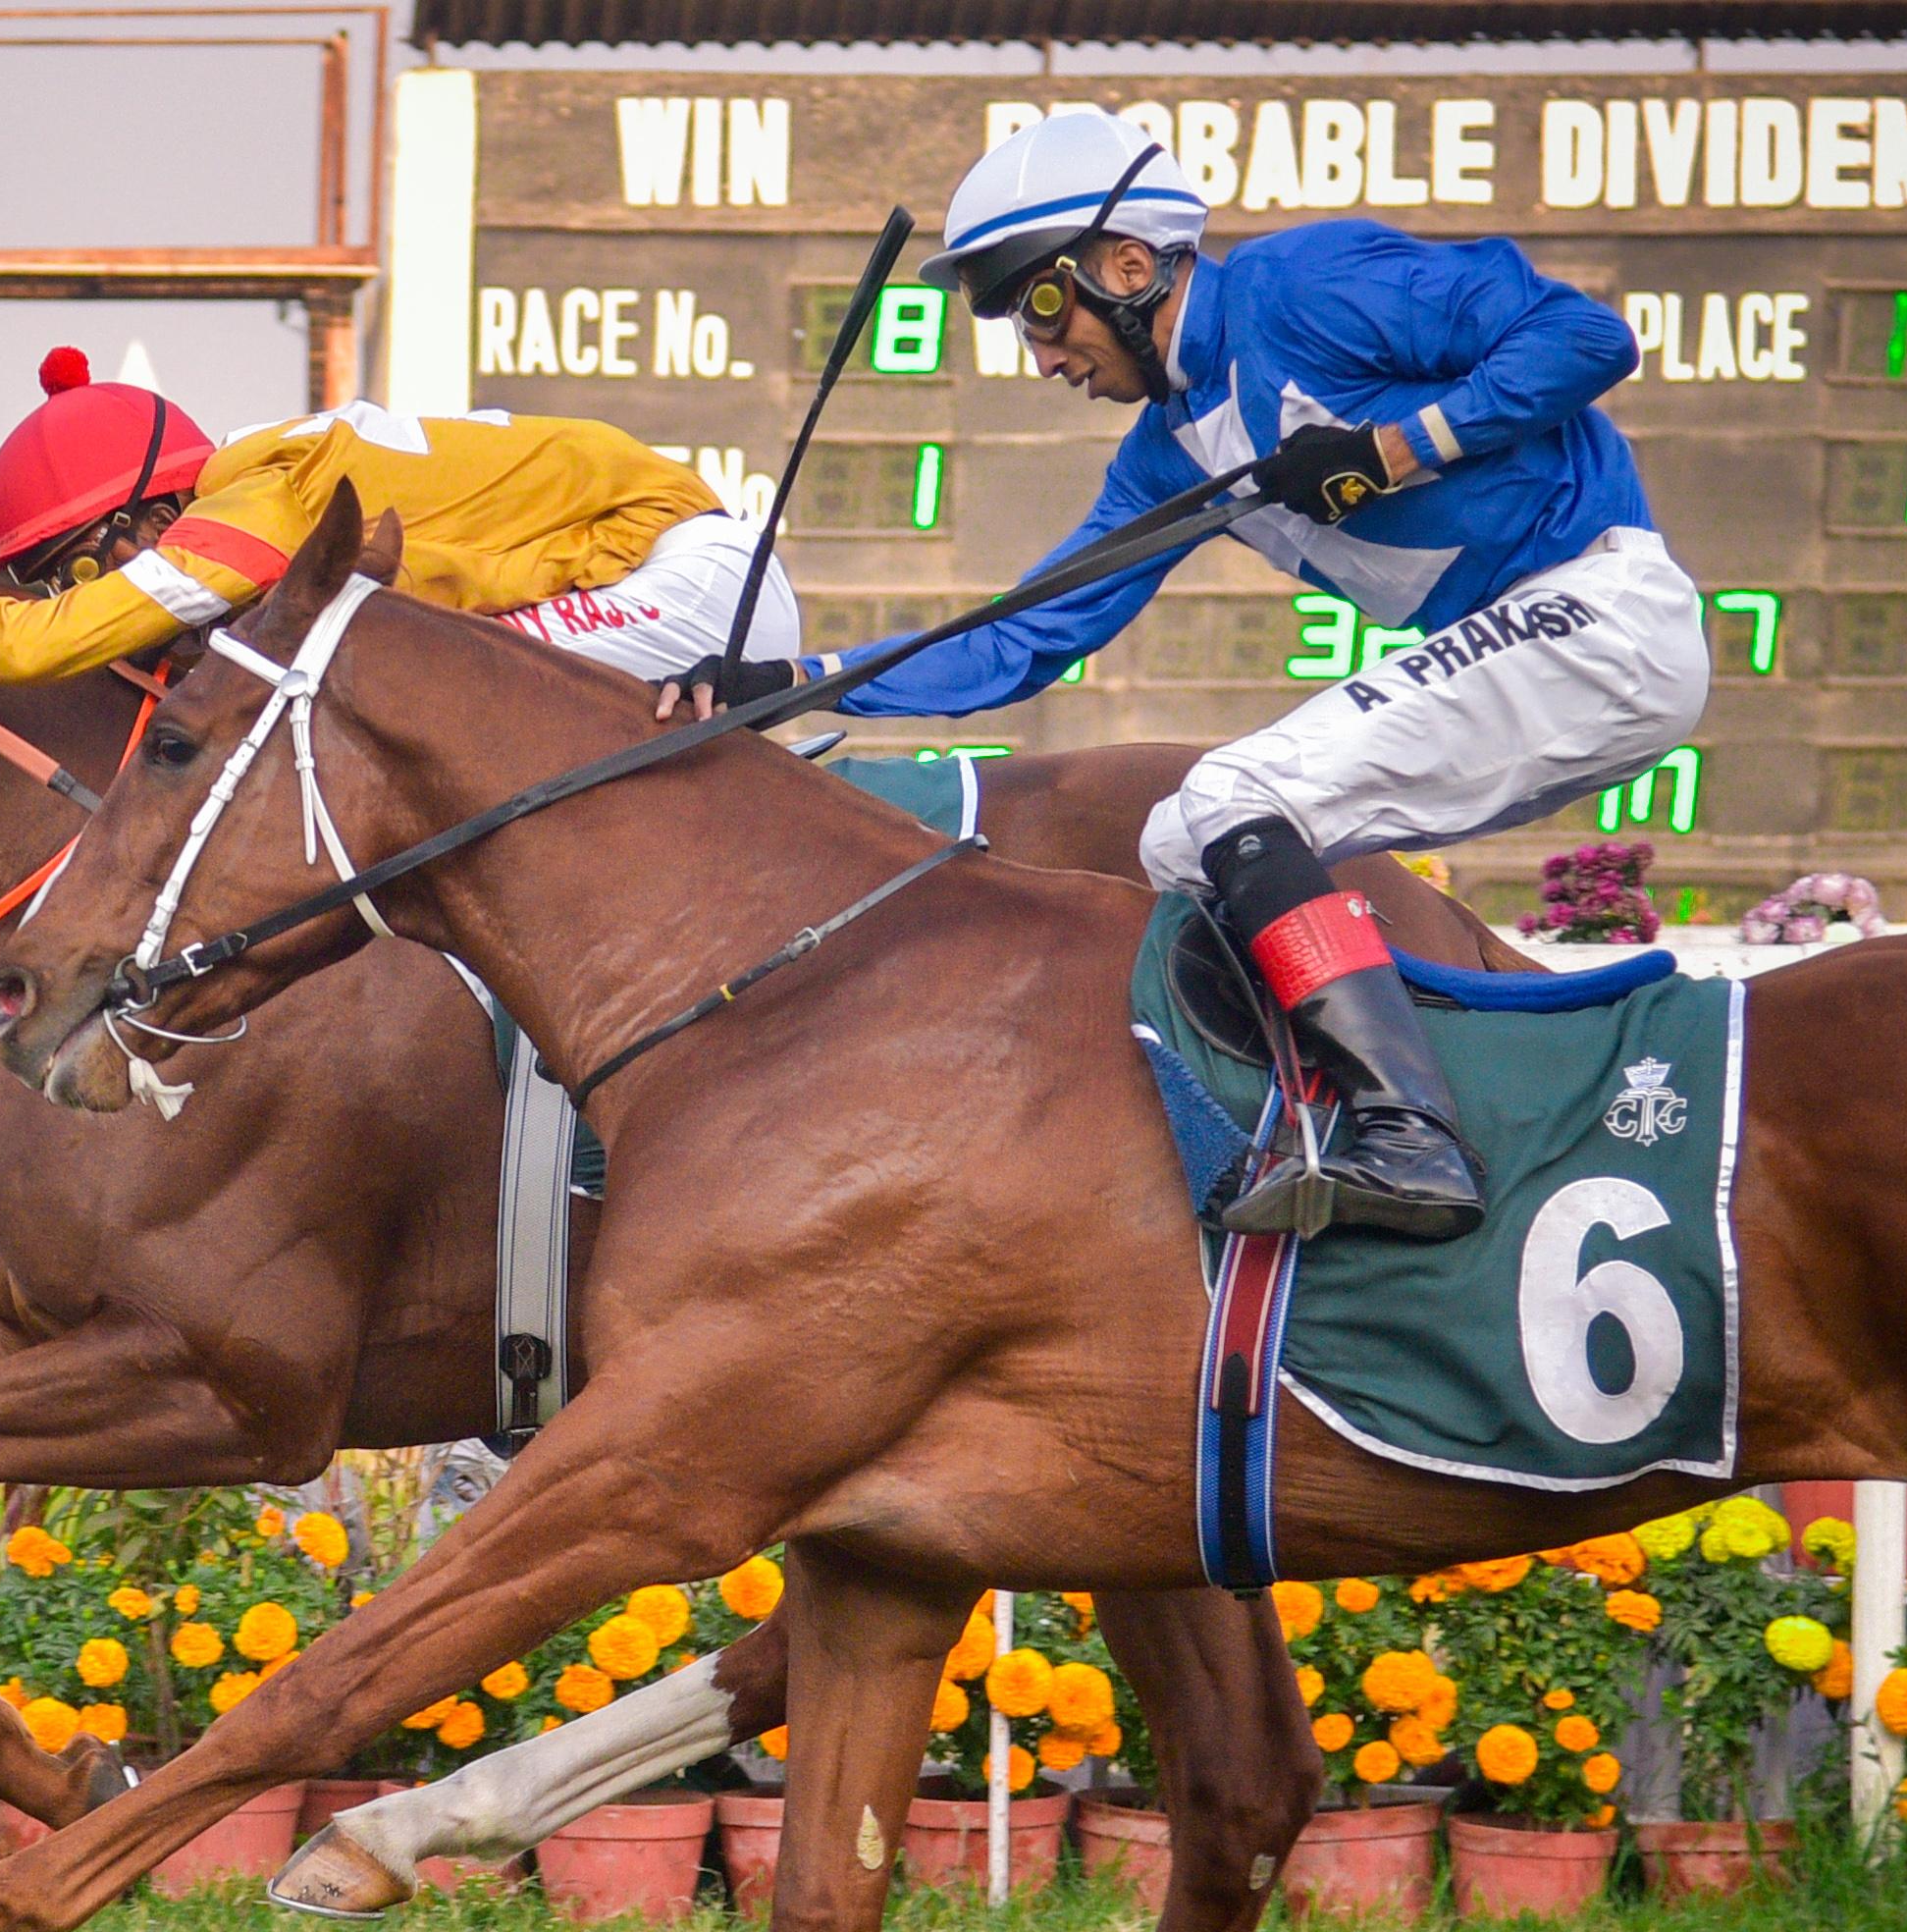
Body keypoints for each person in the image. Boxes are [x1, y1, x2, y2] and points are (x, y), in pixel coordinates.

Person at [661, 113, 1706, 1242]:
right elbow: (1022, 632)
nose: (1043, 355)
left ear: (1125, 263)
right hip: (1537, 650)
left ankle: (1416, 1141)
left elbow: (1583, 337)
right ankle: (1348, 1119)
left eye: (1042, 308)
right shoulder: (1163, 456)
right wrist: (792, 681)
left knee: (1228, 800)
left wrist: (1391, 450)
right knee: (1173, 845)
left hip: (1601, 614)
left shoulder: (1305, 283)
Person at [0, 347, 797, 687]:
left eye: (80, 562)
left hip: (697, 586)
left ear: (146, 506)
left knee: (407, 689)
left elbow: (42, 648)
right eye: (58, 574)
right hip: (645, 579)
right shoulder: (259, 486)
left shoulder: (250, 507)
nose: (89, 588)